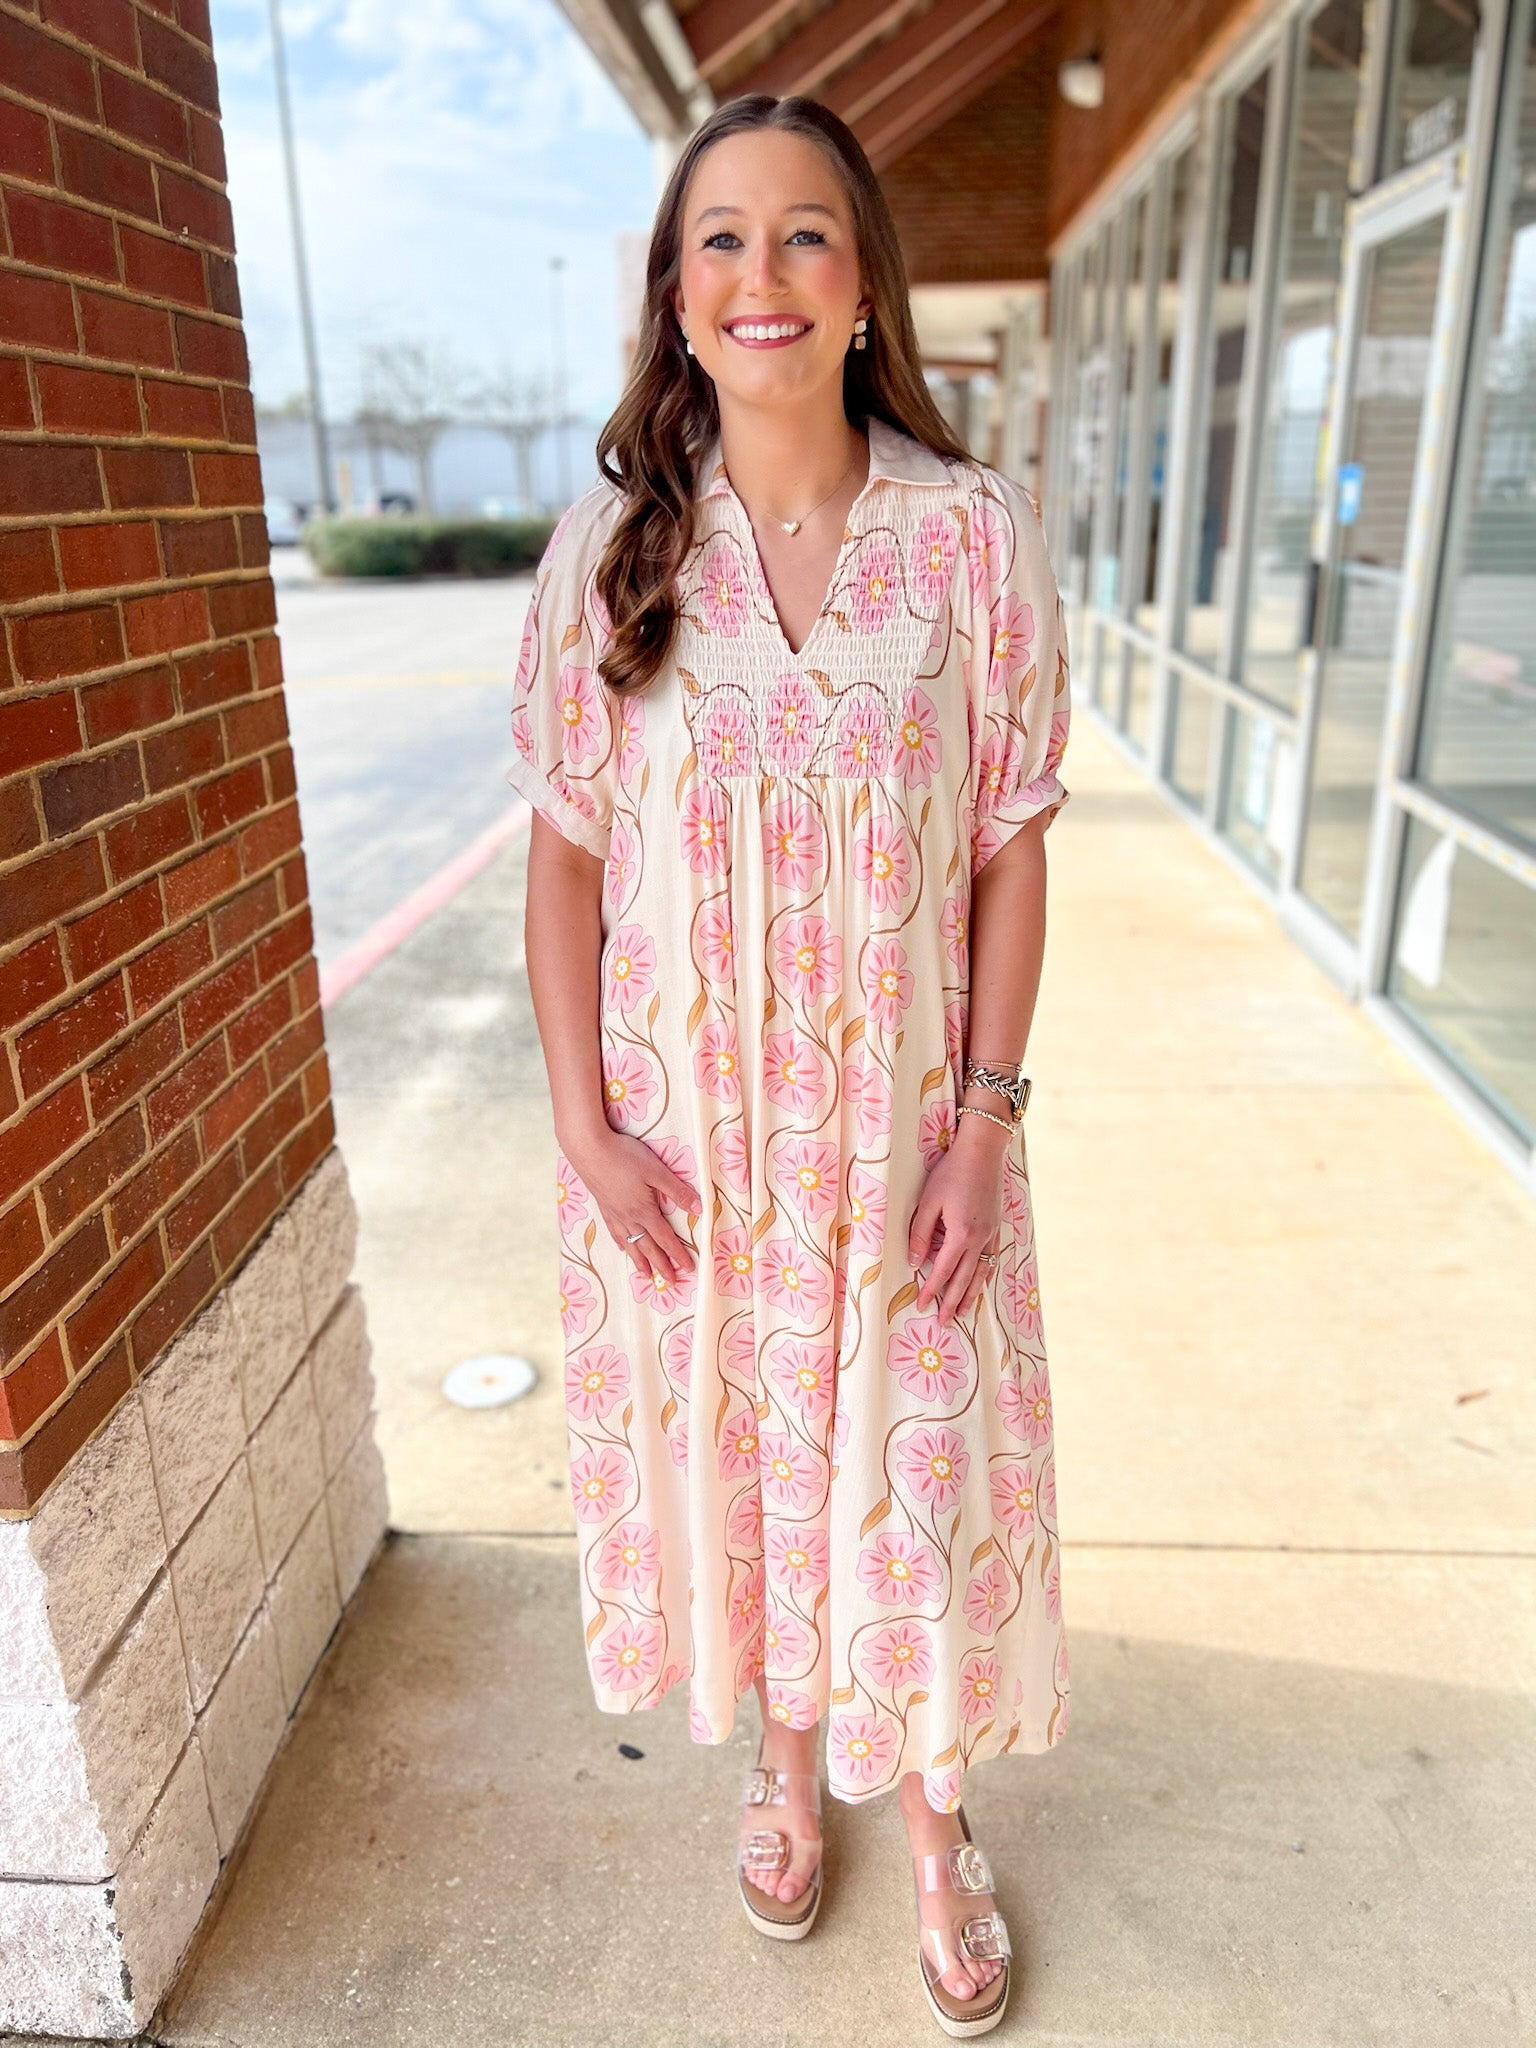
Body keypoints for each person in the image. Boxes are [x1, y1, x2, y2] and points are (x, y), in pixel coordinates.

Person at [509, 91, 1071, 2040]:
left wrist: (988, 1123)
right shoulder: (611, 552)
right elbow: (566, 859)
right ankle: (776, 1760)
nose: (762, 273)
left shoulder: (975, 539)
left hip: (912, 1143)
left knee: (903, 1491)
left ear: (862, 285)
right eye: (719, 238)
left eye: (805, 234)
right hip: (703, 1157)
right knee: (751, 1482)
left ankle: (931, 1822)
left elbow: (1011, 840)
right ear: (674, 296)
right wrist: (585, 1124)